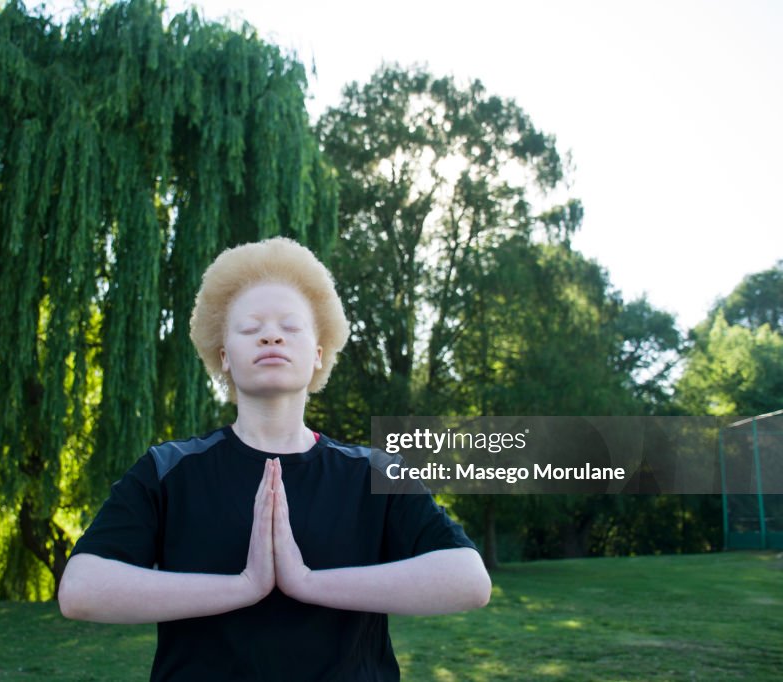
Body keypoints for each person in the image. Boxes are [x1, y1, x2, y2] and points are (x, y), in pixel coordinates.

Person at [58, 237, 491, 681]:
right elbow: (81, 589)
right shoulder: (168, 470)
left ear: (319, 354)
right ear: (224, 356)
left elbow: (468, 580)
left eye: (291, 325)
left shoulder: (372, 472)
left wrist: (306, 582)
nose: (271, 335)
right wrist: (244, 586)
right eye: (249, 328)